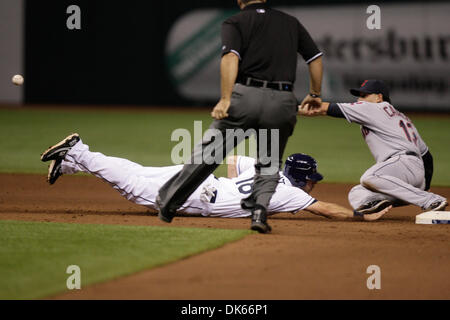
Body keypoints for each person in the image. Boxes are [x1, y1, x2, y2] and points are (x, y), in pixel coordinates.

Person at [156, 0, 324, 233]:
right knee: (270, 162)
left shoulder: (236, 21)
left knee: (210, 152)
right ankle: (258, 212)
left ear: (240, 0)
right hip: (282, 100)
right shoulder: (290, 22)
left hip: (246, 96)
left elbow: (230, 58)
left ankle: (168, 203)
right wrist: (315, 93)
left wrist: (226, 98)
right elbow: (314, 58)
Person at [39, 133, 391, 225]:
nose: (314, 183)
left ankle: (71, 163)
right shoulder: (290, 196)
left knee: (135, 171)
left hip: (201, 181)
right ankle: (79, 151)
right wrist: (364, 216)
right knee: (134, 188)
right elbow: (328, 210)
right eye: (312, 179)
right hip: (198, 196)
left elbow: (234, 160)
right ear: (303, 180)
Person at [298, 79, 448, 212]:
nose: (359, 99)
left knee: (370, 177)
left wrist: (291, 109)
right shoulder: (401, 117)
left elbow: (324, 108)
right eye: (359, 95)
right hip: (409, 171)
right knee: (358, 194)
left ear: (379, 97)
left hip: (402, 163)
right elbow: (426, 156)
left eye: (364, 95)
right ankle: (391, 201)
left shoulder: (374, 108)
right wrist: (424, 184)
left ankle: (431, 199)